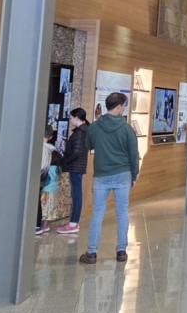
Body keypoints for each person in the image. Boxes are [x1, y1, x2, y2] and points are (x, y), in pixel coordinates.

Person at [80, 92, 140, 264]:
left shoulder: (95, 127)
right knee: (122, 213)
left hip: (101, 175)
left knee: (97, 213)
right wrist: (134, 175)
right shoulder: (127, 129)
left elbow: (88, 145)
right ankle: (121, 251)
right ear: (120, 106)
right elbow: (133, 155)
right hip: (122, 174)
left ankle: (91, 253)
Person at [57, 108, 89, 234]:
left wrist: (65, 161)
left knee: (76, 195)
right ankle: (73, 222)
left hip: (76, 167)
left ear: (77, 117)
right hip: (77, 166)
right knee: (76, 194)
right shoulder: (82, 131)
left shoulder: (80, 133)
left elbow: (76, 152)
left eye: (71, 117)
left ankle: (73, 223)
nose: (70, 120)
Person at [35, 125, 61, 235]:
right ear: (50, 137)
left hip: (41, 181)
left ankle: (37, 226)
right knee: (44, 205)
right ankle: (41, 225)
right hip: (48, 183)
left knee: (39, 204)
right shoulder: (53, 150)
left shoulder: (39, 148)